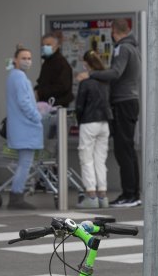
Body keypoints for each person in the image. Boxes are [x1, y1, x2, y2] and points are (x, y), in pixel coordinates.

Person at [76, 18, 141, 208]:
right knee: (128, 149)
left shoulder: (122, 48)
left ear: (114, 32)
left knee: (123, 150)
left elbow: (115, 73)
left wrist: (91, 75)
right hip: (131, 101)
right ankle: (133, 193)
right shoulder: (134, 48)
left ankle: (129, 194)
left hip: (122, 101)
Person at [5, 46, 43, 210]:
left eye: (29, 58)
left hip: (19, 126)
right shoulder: (19, 77)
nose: (27, 61)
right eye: (23, 58)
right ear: (15, 60)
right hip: (25, 126)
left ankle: (16, 195)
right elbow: (24, 102)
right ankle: (16, 195)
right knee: (25, 163)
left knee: (24, 162)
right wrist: (37, 117)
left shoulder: (13, 76)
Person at [74, 50, 112, 209]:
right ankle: (103, 196)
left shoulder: (86, 82)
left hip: (89, 122)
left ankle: (91, 196)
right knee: (100, 160)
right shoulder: (104, 81)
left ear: (87, 64)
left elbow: (79, 106)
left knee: (86, 158)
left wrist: (78, 120)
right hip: (104, 122)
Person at [35, 32, 73, 107]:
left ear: (57, 46)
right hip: (48, 104)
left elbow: (62, 87)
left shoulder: (61, 63)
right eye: (43, 45)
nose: (45, 47)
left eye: (48, 45)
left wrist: (40, 93)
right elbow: (43, 82)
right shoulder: (47, 62)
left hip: (57, 105)